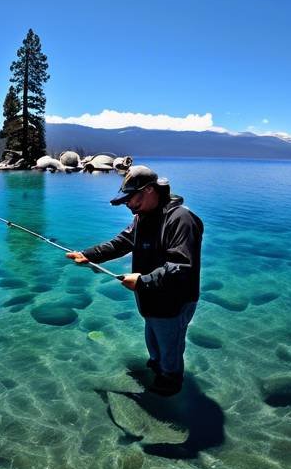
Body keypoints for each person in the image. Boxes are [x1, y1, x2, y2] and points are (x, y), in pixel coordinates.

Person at [67, 165, 203, 396]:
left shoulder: (181, 220)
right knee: (153, 335)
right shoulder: (144, 217)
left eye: (132, 199)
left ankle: (170, 379)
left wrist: (143, 282)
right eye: (126, 201)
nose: (129, 205)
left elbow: (181, 268)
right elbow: (121, 243)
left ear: (150, 190)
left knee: (170, 343)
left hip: (173, 302)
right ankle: (157, 364)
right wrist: (89, 254)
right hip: (151, 297)